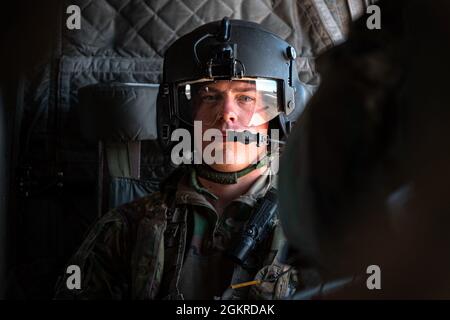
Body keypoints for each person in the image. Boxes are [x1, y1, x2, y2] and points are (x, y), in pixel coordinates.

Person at [55, 18, 312, 300]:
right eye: (210, 97)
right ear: (187, 117)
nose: (227, 113)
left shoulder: (316, 228)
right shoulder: (126, 229)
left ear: (277, 117)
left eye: (245, 98)